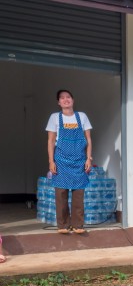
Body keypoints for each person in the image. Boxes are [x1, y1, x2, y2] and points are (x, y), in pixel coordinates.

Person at [45, 89, 93, 234]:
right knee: (61, 194)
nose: (66, 100)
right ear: (58, 102)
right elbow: (51, 140)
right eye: (62, 98)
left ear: (73, 100)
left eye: (68, 97)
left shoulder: (82, 116)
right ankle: (63, 225)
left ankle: (78, 225)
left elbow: (88, 139)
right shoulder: (54, 117)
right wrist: (51, 161)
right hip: (61, 161)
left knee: (79, 194)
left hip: (79, 161)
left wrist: (88, 158)